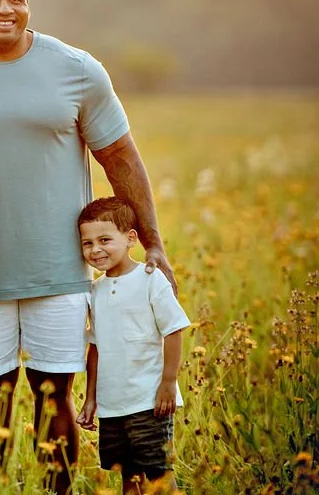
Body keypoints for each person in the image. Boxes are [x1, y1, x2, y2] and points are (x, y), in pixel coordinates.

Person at [0, 0, 177, 493]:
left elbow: (121, 159)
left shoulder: (77, 70)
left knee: (54, 401)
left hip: (58, 271)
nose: (4, 9)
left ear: (29, 5)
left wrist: (154, 243)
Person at [77, 197, 189, 494]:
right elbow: (96, 349)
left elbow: (174, 329)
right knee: (128, 474)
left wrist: (169, 381)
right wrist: (91, 398)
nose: (95, 249)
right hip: (112, 404)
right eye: (87, 243)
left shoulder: (150, 280)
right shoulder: (95, 291)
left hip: (148, 400)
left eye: (104, 240)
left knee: (158, 473)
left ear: (130, 239)